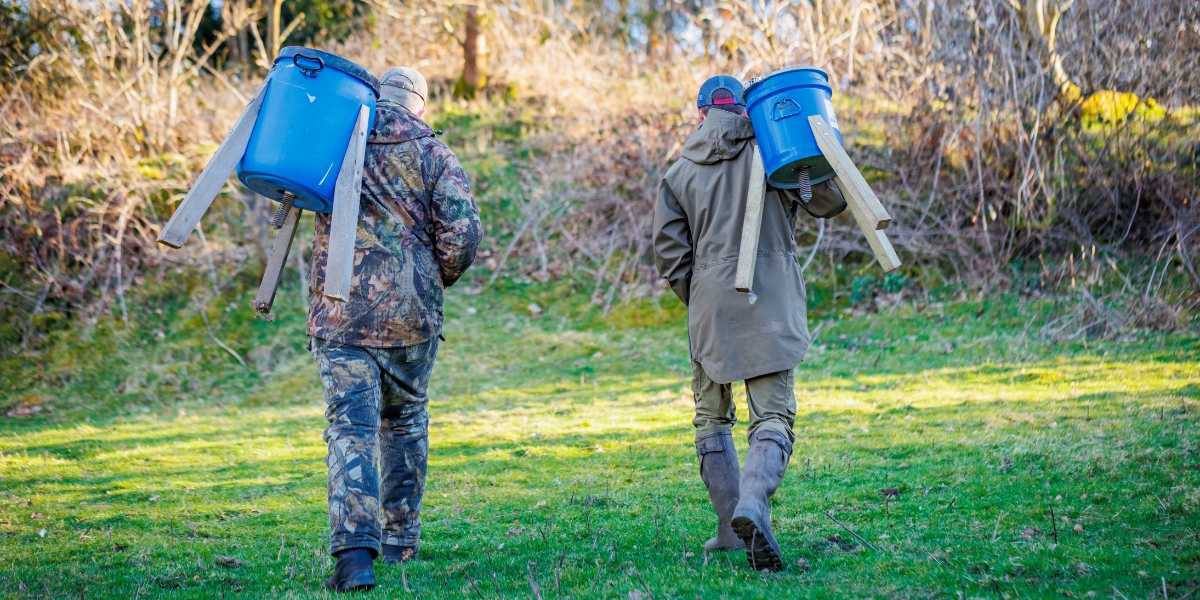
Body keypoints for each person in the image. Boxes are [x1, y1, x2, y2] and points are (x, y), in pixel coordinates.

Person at [652, 75, 846, 571]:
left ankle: (728, 530)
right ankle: (753, 505)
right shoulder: (777, 151)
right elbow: (831, 202)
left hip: (711, 305)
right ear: (743, 109)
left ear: (699, 114)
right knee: (774, 417)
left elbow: (670, 254)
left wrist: (700, 298)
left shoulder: (678, 173)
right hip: (772, 300)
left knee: (711, 418)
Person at [308, 66, 482, 592]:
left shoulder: (337, 142)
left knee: (350, 428)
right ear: (420, 106)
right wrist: (433, 280)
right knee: (404, 422)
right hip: (411, 320)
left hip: (339, 315)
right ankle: (402, 539)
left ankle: (354, 557)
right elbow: (464, 233)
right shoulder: (434, 154)